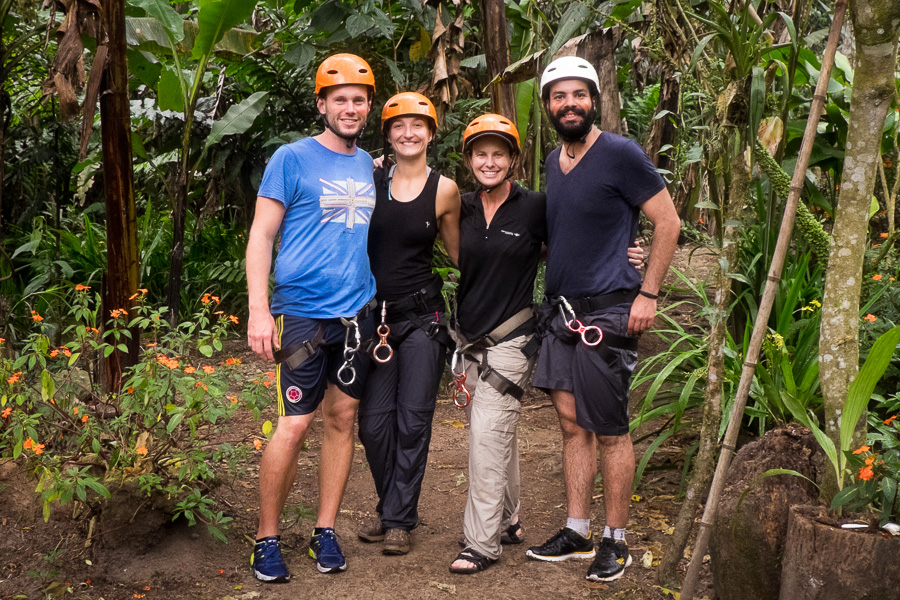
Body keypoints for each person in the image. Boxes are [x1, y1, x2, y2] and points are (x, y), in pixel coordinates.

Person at [526, 56, 681, 583]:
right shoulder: (553, 161)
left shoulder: (619, 154)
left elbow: (668, 220)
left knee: (610, 429)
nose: (569, 105)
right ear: (547, 105)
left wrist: (649, 293)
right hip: (562, 313)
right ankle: (576, 529)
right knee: (572, 427)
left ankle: (616, 540)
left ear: (594, 100)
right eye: (558, 97)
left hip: (610, 310)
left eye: (579, 96)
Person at [245, 53, 379, 582]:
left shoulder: (368, 163)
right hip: (300, 313)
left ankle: (325, 530)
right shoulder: (291, 158)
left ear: (369, 108)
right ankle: (267, 538)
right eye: (340, 99)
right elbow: (262, 235)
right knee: (295, 424)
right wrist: (260, 309)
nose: (350, 107)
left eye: (359, 100)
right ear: (322, 104)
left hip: (355, 315)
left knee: (342, 420)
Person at [356, 92, 461, 555]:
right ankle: (392, 506)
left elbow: (462, 255)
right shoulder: (369, 176)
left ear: (432, 133)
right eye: (399, 126)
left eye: (418, 125)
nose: (408, 133)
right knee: (374, 425)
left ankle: (397, 520)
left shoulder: (445, 190)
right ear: (388, 135)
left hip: (423, 319)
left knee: (413, 421)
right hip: (373, 318)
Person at [447, 113, 545, 574]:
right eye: (481, 153)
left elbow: (577, 240)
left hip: (512, 340)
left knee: (486, 435)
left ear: (513, 160)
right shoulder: (458, 207)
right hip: (468, 341)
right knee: (492, 434)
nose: (489, 161)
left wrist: (631, 253)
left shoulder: (535, 208)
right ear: (469, 159)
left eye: (498, 154)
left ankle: (482, 544)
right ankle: (508, 519)